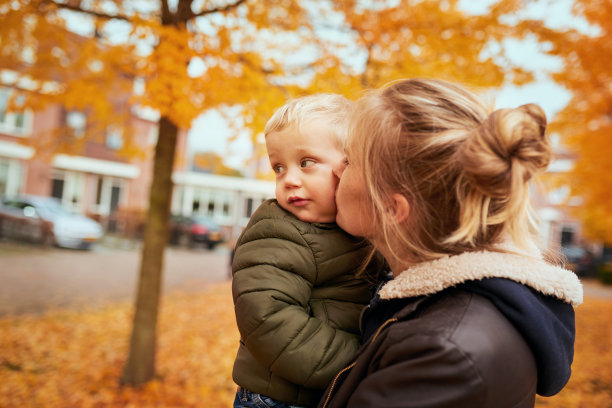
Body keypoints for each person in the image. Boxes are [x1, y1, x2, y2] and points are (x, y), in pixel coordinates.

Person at [319, 78, 583, 408]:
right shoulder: (447, 316)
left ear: (392, 208)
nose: (337, 169)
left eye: (351, 159)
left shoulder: (441, 353)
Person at [231, 94, 384, 408]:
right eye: (278, 168)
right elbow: (267, 318)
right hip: (279, 398)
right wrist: (356, 360)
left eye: (306, 163)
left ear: (351, 167)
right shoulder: (278, 229)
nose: (289, 180)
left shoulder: (356, 229)